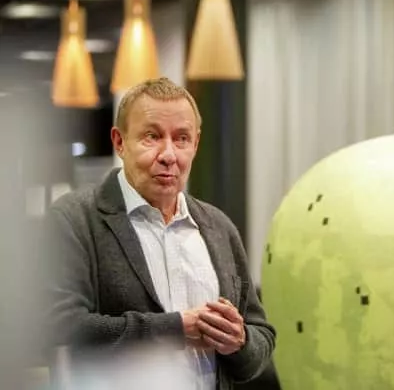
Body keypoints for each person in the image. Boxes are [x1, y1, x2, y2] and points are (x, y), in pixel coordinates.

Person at [45, 77, 276, 390]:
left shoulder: (219, 227)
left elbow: (261, 335)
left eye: (181, 139)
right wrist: (175, 329)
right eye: (152, 137)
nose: (169, 155)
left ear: (195, 144)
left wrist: (240, 341)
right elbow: (60, 326)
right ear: (119, 142)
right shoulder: (75, 219)